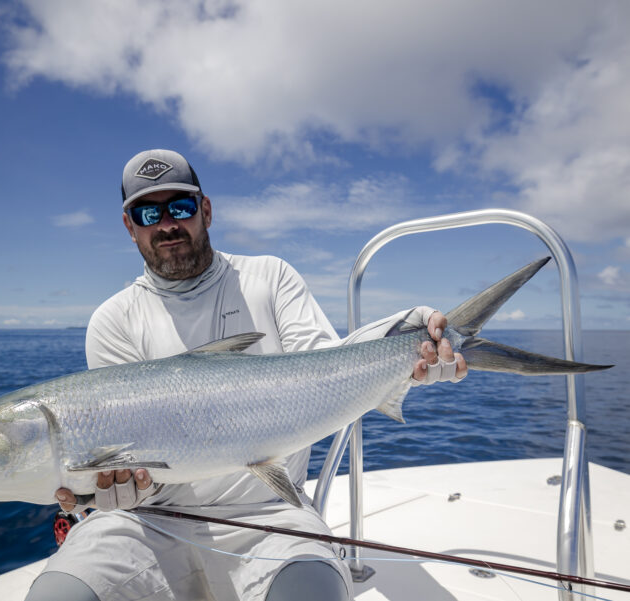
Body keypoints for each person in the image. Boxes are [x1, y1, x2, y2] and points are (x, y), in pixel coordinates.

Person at [26, 149, 467, 601]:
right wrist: (109, 491)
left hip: (272, 512)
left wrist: (404, 336)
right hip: (148, 520)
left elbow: (329, 365)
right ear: (129, 226)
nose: (167, 225)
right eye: (147, 212)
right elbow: (128, 468)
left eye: (180, 207)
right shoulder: (114, 320)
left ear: (206, 210)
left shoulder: (270, 277)